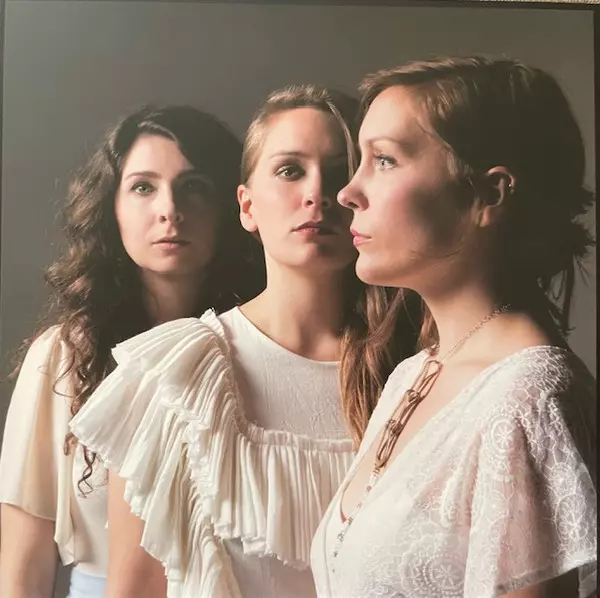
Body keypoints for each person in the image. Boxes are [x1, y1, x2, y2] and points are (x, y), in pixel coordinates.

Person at [68, 84, 420, 598]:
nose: (318, 194)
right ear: (246, 206)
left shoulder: (415, 370)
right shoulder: (174, 375)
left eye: (340, 171)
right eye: (290, 170)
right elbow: (134, 589)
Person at [311, 55, 597, 598]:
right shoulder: (414, 372)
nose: (348, 192)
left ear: (489, 195)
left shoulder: (526, 401)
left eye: (385, 160)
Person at [0, 105, 265, 598]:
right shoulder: (63, 357)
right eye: (143, 187)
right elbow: (22, 565)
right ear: (112, 208)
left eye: (194, 186)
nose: (170, 209)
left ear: (232, 204)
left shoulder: (262, 348)